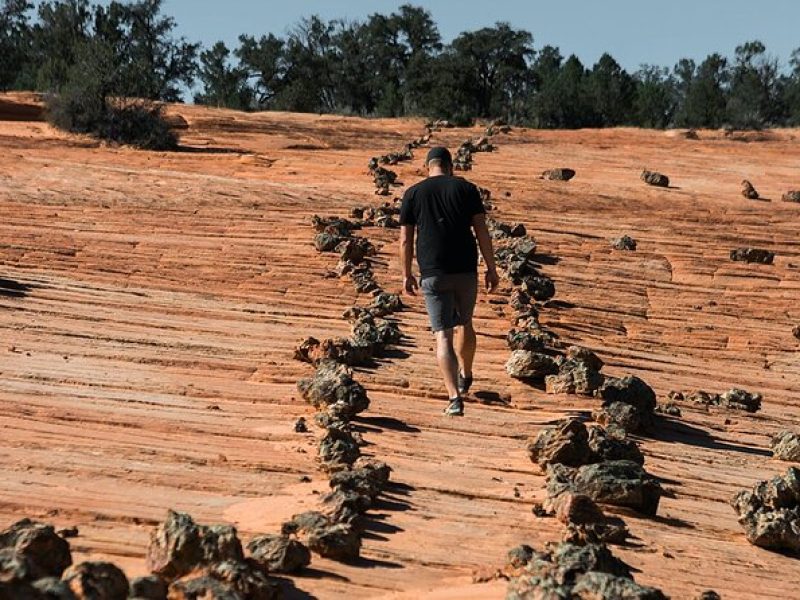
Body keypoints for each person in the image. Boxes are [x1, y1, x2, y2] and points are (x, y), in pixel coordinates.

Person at [399, 146, 499, 416]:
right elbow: (482, 231)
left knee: (442, 334)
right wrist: (491, 267)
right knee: (465, 322)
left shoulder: (413, 193)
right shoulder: (466, 189)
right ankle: (466, 373)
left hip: (433, 272)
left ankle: (454, 397)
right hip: (466, 269)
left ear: (427, 166)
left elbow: (406, 239)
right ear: (450, 166)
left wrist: (406, 273)